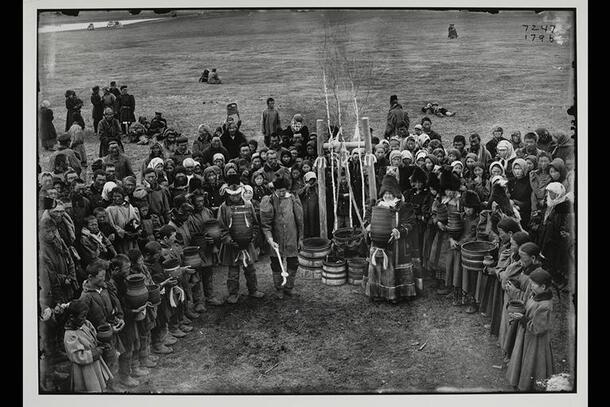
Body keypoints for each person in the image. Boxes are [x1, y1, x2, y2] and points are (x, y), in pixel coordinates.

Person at [363, 174, 416, 303]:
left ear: (395, 194)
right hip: (378, 241)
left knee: (393, 267)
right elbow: (367, 219)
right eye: (385, 193)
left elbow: (410, 223)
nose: (387, 196)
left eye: (390, 193)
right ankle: (377, 292)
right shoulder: (376, 205)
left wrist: (399, 230)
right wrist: (368, 226)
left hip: (396, 244)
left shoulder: (403, 207)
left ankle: (396, 293)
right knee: (378, 266)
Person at [216, 175, 265, 303]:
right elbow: (221, 228)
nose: (235, 197)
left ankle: (253, 290)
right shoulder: (223, 208)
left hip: (247, 242)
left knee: (250, 268)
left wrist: (252, 237)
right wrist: (229, 240)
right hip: (232, 244)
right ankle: (233, 293)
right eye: (232, 195)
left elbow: (254, 223)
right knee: (233, 271)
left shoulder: (248, 205)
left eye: (237, 195)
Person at [506, 268, 554, 391]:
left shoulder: (545, 306)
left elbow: (537, 328)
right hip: (526, 335)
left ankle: (529, 386)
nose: (531, 286)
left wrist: (523, 318)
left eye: (533, 284)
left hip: (536, 341)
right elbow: (528, 309)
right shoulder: (535, 295)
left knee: (532, 362)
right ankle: (521, 379)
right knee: (523, 358)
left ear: (543, 287)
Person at [79, 261, 124, 390]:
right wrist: (105, 330)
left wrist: (120, 318)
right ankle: (111, 388)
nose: (103, 279)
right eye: (100, 277)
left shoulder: (105, 288)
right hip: (101, 336)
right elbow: (85, 321)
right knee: (108, 361)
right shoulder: (85, 297)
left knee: (116, 357)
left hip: (113, 330)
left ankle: (116, 383)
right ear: (90, 277)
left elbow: (116, 303)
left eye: (104, 276)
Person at [260, 177, 304, 299]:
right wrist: (270, 239)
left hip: (291, 236)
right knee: (276, 263)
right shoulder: (269, 201)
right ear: (275, 189)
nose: (282, 193)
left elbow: (300, 221)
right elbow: (266, 225)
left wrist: (300, 238)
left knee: (293, 262)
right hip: (276, 238)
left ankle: (289, 287)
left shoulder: (293, 199)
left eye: (284, 190)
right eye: (279, 190)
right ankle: (279, 287)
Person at [63, 299, 114, 392]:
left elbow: (94, 337)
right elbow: (77, 356)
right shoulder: (70, 335)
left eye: (85, 315)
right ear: (71, 317)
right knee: (89, 387)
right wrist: (95, 352)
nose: (85, 318)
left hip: (94, 363)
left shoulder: (86, 324)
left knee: (98, 383)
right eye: (82, 316)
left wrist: (101, 344)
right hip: (83, 369)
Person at [537, 182, 574, 290]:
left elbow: (564, 224)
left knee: (556, 260)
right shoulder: (548, 203)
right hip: (546, 235)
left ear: (558, 193)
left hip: (556, 239)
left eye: (552, 192)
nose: (550, 194)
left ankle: (559, 281)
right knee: (547, 258)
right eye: (548, 192)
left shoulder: (564, 207)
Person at [105, 186, 141, 254]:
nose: (116, 198)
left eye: (118, 196)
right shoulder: (110, 209)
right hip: (121, 238)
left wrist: (136, 229)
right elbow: (112, 224)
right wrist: (124, 233)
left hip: (132, 235)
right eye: (114, 196)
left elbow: (135, 218)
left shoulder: (129, 206)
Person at [508, 158, 533, 229]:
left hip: (525, 212)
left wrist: (519, 205)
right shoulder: (512, 181)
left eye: (519, 169)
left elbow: (530, 199)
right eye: (515, 169)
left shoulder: (529, 182)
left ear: (524, 169)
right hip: (513, 210)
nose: (517, 171)